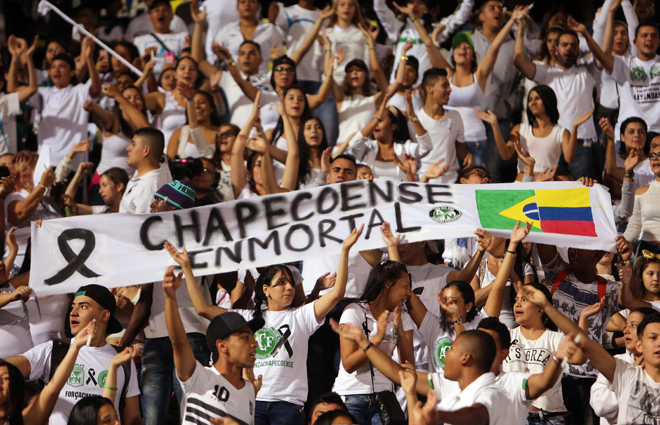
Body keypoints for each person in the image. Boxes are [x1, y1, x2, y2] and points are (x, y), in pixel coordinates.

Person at [518, 282, 660, 425]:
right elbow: (583, 341)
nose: (658, 343)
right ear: (639, 344)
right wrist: (546, 305)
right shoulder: (626, 372)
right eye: (653, 337)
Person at [5, 285, 141, 425]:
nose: (73, 312)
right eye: (73, 306)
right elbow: (6, 368)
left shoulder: (122, 359)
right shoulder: (53, 350)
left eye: (83, 307)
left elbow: (133, 417)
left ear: (104, 315)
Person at [409, 222, 531, 372]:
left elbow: (498, 286)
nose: (448, 306)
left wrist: (512, 245)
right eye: (445, 301)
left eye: (454, 301)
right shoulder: (433, 326)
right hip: (443, 393)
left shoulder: (480, 324)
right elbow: (406, 290)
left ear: (468, 305)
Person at [162, 259, 264, 425]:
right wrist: (170, 297)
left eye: (252, 337)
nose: (254, 344)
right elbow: (179, 342)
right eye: (245, 337)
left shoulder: (249, 390)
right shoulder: (198, 376)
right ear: (222, 345)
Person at [332, 258, 415, 425]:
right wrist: (376, 339)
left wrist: (399, 331)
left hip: (384, 398)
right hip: (351, 395)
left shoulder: (403, 317)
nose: (409, 293)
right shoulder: (354, 311)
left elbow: (407, 366)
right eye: (405, 286)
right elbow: (348, 364)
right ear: (388, 284)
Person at [514, 20, 600, 179]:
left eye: (574, 45)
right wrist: (520, 29)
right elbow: (519, 61)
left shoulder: (588, 70)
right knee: (552, 189)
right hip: (552, 139)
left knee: (579, 189)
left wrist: (586, 33)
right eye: (564, 44)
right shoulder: (545, 71)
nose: (569, 48)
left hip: (580, 140)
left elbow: (602, 54)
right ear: (555, 49)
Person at [504, 282, 587, 423]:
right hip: (512, 417)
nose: (517, 304)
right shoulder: (505, 336)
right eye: (516, 300)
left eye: (524, 300)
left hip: (548, 418)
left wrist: (583, 318)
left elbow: (580, 357)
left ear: (540, 308)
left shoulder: (555, 338)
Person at [478, 85, 591, 182]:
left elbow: (569, 158)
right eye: (530, 99)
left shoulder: (561, 132)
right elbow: (505, 154)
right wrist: (495, 125)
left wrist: (575, 127)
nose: (532, 103)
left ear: (548, 100)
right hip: (521, 184)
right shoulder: (520, 128)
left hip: (546, 185)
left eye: (537, 98)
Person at [28, 38, 101, 168]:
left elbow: (95, 89)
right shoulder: (44, 93)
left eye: (62, 66)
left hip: (72, 163)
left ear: (72, 72)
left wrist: (89, 59)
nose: (56, 70)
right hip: (46, 162)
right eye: (53, 67)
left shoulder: (79, 91)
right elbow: (13, 90)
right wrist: (27, 58)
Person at [590, 307, 656, 425]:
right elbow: (599, 407)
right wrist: (628, 377)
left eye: (634, 325)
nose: (626, 330)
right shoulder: (616, 362)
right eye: (626, 325)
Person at [347, 92, 432, 181]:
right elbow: (353, 144)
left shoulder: (405, 148)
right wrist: (377, 118)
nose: (375, 124)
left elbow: (427, 146)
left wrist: (413, 115)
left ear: (393, 125)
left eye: (380, 120)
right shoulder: (367, 148)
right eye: (374, 120)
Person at [416, 68, 472, 183]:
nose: (450, 89)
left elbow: (460, 147)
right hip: (424, 179)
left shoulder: (455, 116)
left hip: (451, 180)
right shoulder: (415, 119)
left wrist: (468, 155)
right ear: (429, 88)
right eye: (444, 85)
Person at [5, 151, 58, 271]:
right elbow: (21, 212)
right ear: (24, 174)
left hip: (49, 260)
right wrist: (43, 184)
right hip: (20, 264)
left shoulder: (45, 200)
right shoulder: (14, 197)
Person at [213, 0, 284, 76]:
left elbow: (281, 63)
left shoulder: (270, 29)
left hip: (262, 81)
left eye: (252, 1)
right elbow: (217, 62)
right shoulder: (227, 30)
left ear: (258, 7)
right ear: (237, 8)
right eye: (243, 2)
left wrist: (275, 60)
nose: (247, 4)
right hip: (233, 81)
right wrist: (220, 58)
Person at [132, 0, 189, 78]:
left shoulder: (183, 37)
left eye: (165, 10)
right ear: (150, 16)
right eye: (156, 10)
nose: (160, 13)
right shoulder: (138, 41)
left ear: (172, 16)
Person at [119, 128, 170, 214]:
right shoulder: (145, 174)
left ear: (146, 151)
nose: (128, 148)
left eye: (133, 144)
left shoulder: (148, 187)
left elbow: (144, 225)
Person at [623, 137, 660, 251]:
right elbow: (633, 230)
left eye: (659, 154)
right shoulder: (641, 192)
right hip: (646, 254)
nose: (655, 159)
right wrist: (620, 244)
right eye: (652, 155)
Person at [4, 35, 37, 157]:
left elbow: (32, 88)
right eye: (17, 71)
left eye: (22, 71)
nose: (20, 75)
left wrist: (20, 55)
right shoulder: (5, 97)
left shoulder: (6, 100)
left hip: (22, 141)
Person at [167, 85, 219, 160]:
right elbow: (170, 161)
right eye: (193, 104)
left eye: (202, 102)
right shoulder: (179, 133)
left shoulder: (221, 133)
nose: (197, 106)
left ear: (212, 108)